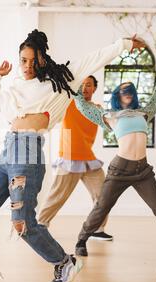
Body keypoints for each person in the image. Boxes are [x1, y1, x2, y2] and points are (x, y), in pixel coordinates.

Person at [0, 29, 145, 282]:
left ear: (43, 59)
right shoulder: (14, 85)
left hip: (28, 152)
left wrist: (124, 43)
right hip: (7, 150)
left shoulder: (59, 81)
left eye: (33, 60)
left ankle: (64, 262)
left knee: (22, 222)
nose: (28, 66)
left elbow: (93, 59)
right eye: (23, 60)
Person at [72, 72, 156, 258]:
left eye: (130, 91)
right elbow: (83, 107)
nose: (127, 93)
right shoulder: (110, 116)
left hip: (142, 170)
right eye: (123, 91)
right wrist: (79, 88)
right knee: (102, 206)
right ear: (117, 96)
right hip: (120, 170)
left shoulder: (143, 114)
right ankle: (81, 240)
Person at [38, 75, 112, 241]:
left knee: (104, 195)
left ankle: (97, 229)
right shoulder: (69, 104)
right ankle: (40, 225)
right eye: (83, 85)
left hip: (88, 159)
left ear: (94, 89)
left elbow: (109, 124)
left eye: (89, 85)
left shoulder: (97, 109)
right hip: (69, 158)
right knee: (57, 196)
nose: (85, 88)